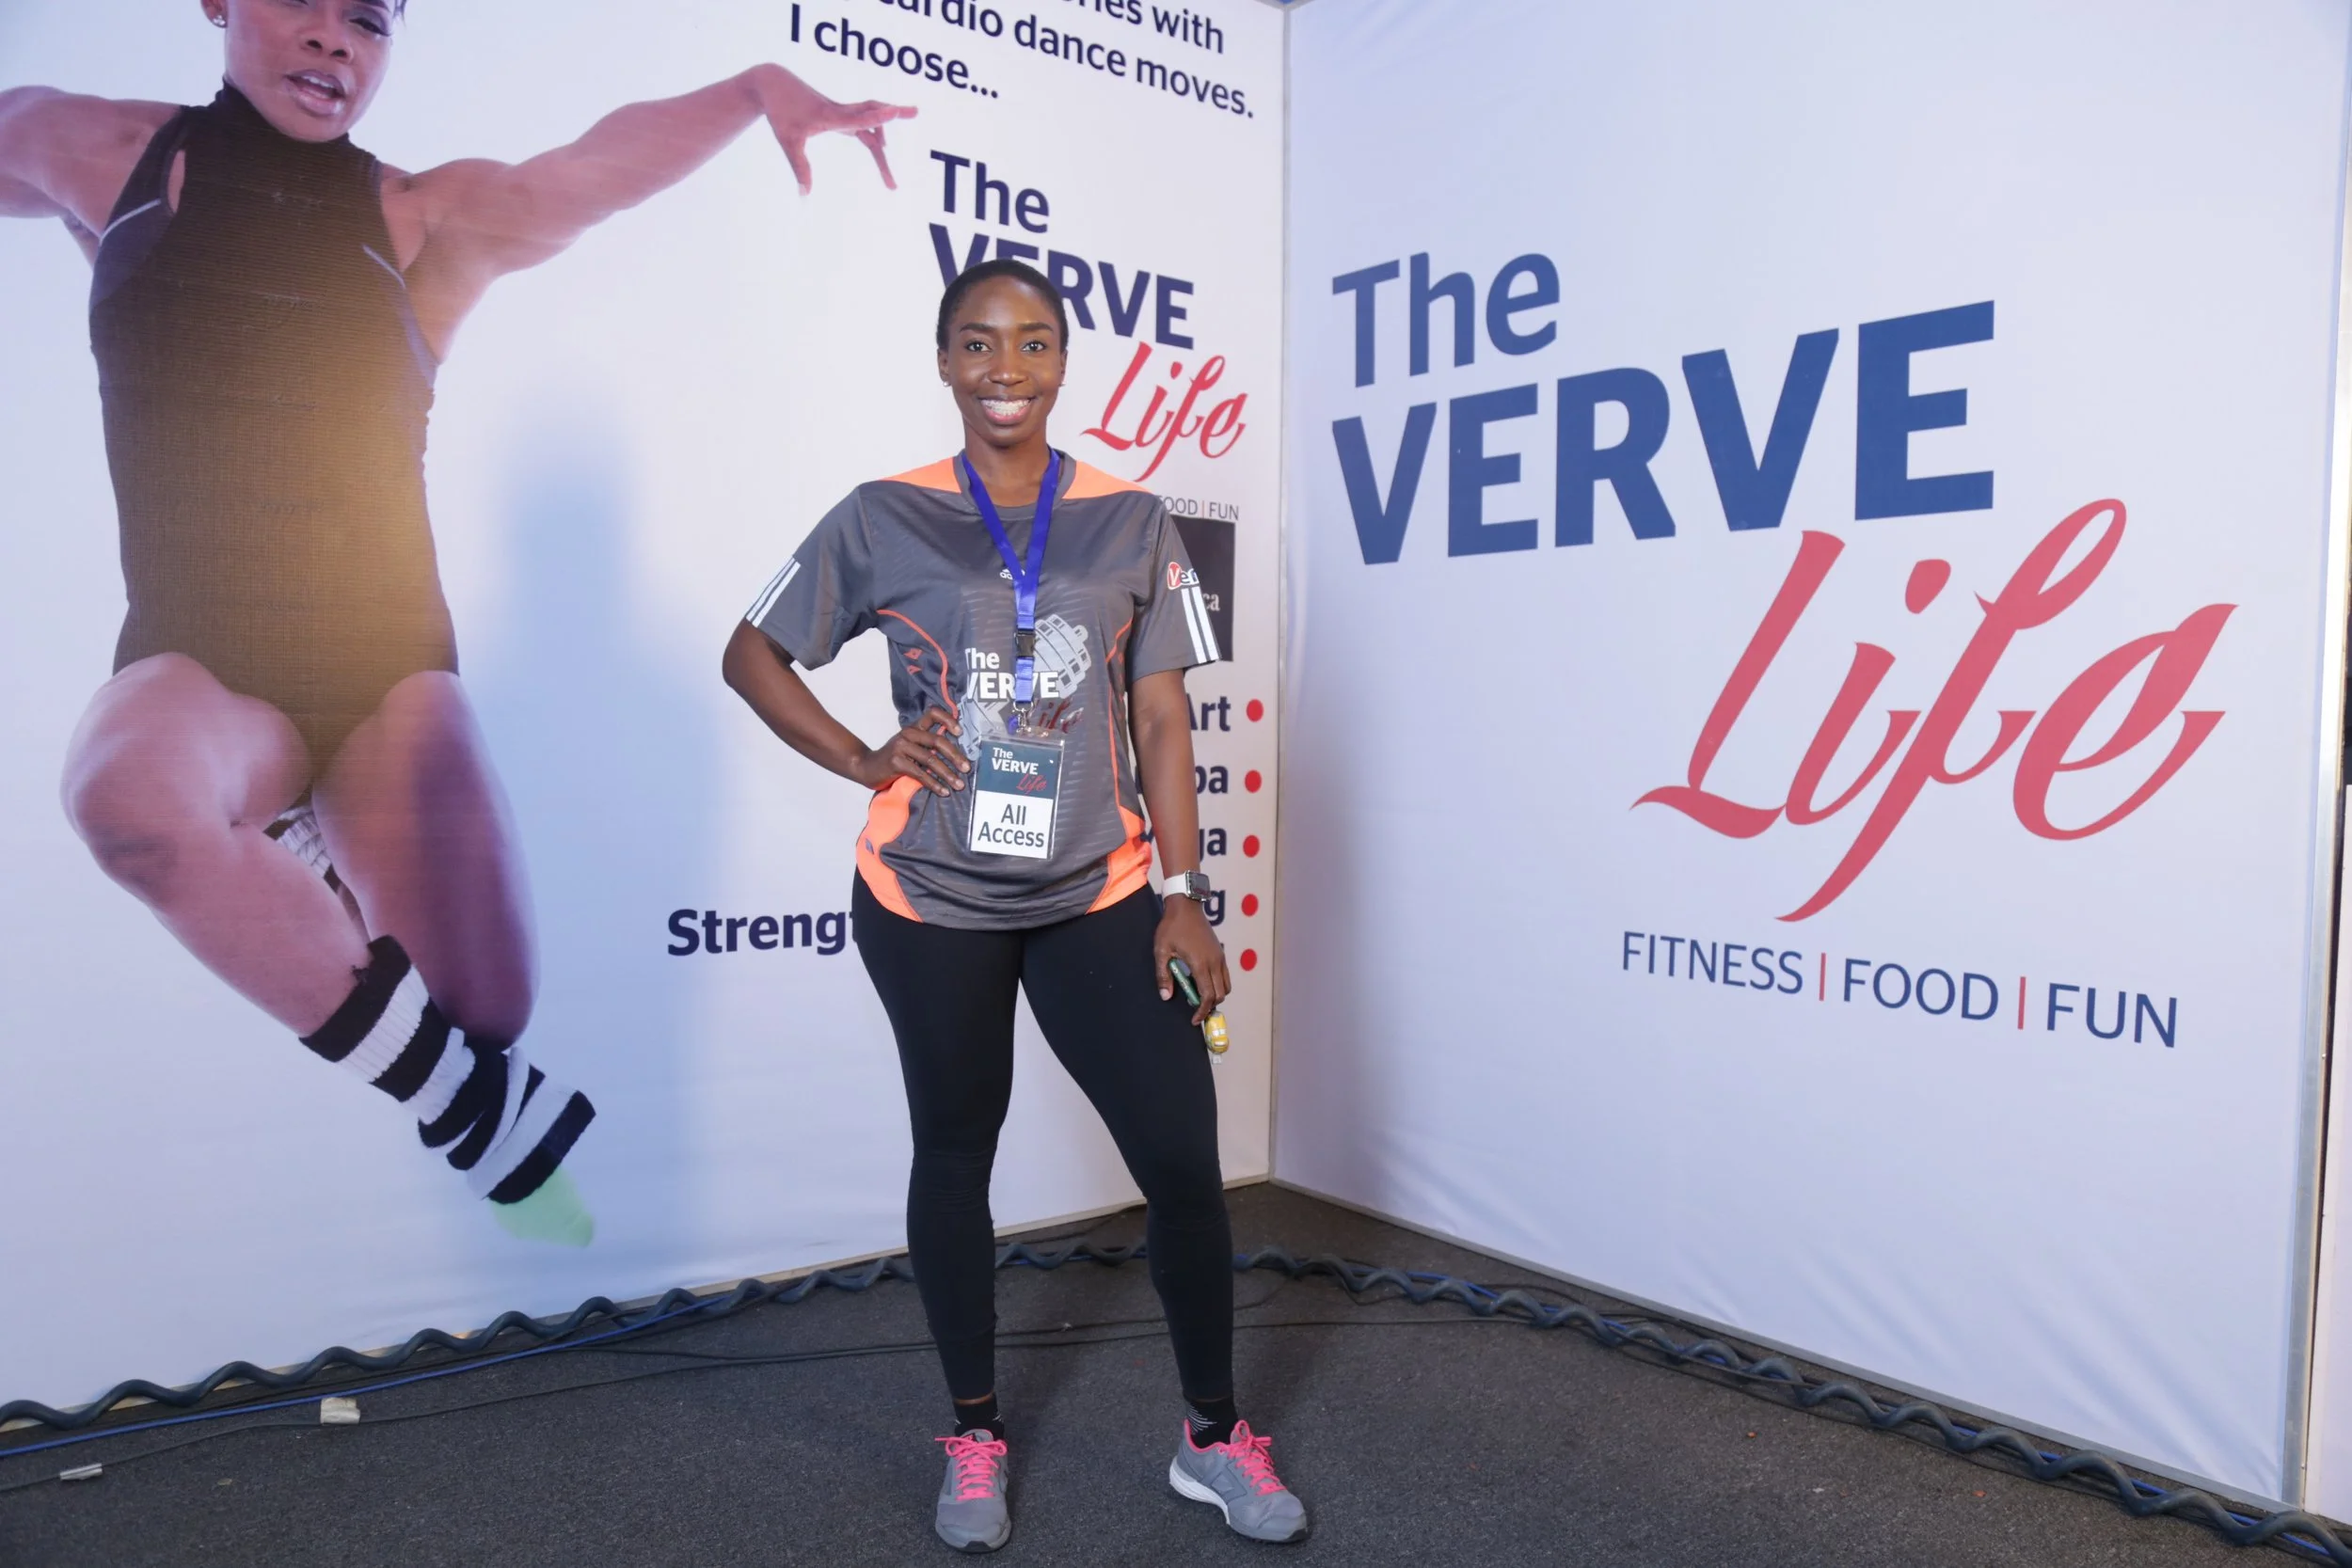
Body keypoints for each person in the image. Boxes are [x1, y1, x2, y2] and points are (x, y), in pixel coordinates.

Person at [0, 0, 912, 1243]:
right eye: (303, 3)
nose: (333, 40)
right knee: (128, 805)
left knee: (484, 1005)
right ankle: (466, 1100)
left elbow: (588, 170)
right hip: (204, 664)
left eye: (369, 21)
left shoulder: (421, 217)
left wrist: (755, 86)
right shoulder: (108, 155)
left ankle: (406, 983)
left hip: (385, 676)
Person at [723, 259, 1309, 1551]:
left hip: (1099, 887)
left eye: (1034, 343)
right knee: (955, 1149)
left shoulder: (1131, 515)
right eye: (980, 343)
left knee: (1180, 1164)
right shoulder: (880, 513)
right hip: (930, 893)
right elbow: (750, 651)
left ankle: (1212, 1436)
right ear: (943, 360)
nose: (1007, 367)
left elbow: (1161, 709)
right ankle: (975, 1430)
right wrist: (865, 756)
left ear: (1061, 363)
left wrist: (1183, 889)